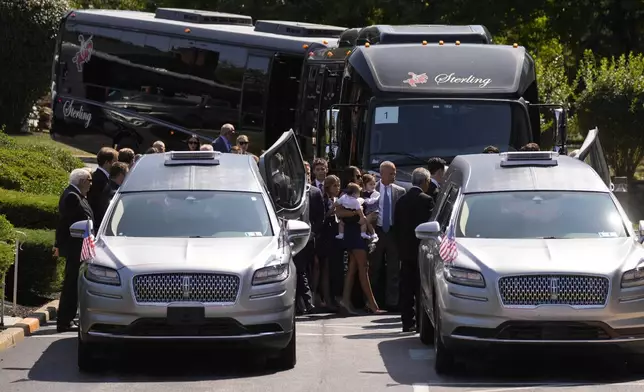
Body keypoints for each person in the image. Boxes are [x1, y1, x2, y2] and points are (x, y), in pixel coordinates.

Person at [394, 168, 435, 332]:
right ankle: (421, 322)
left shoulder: (401, 200)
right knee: (421, 288)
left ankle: (407, 322)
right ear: (425, 181)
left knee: (406, 288)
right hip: (422, 250)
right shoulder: (427, 200)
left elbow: (396, 226)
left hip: (405, 251)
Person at [55, 168, 94, 332]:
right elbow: (65, 223)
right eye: (90, 180)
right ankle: (64, 321)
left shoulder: (78, 195)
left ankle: (68, 318)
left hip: (80, 246)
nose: (91, 184)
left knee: (75, 283)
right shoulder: (72, 196)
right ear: (82, 181)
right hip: (74, 246)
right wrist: (58, 245)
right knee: (71, 284)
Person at [368, 161, 405, 311]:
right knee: (374, 268)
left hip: (392, 233)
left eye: (394, 173)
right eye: (390, 173)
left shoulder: (400, 191)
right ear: (381, 174)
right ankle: (373, 301)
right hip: (376, 232)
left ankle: (393, 302)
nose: (393, 176)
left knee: (394, 269)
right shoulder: (372, 190)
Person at [294, 161, 325, 314]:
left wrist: (314, 232)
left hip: (310, 238)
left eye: (307, 173)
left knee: (308, 270)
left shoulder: (314, 192)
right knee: (299, 269)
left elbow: (320, 216)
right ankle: (306, 301)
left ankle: (304, 301)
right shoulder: (292, 191)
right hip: (295, 237)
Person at [87, 147, 118, 229]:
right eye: (115, 161)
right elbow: (99, 205)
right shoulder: (99, 180)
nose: (116, 164)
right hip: (98, 224)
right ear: (107, 163)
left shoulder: (102, 177)